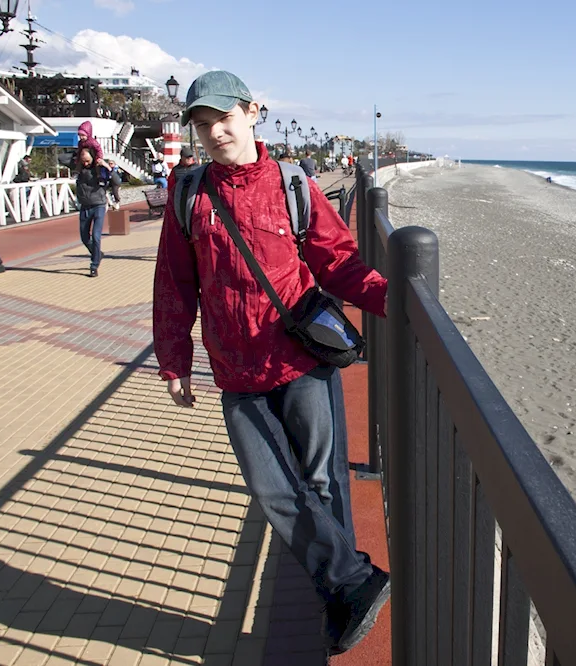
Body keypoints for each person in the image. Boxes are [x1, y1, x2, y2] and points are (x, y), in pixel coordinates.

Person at [152, 70, 391, 655]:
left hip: (300, 360)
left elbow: (337, 262)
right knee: (272, 490)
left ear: (252, 112)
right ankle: (354, 581)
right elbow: (174, 285)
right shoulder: (189, 195)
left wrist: (394, 296)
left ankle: (341, 595)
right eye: (203, 126)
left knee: (321, 482)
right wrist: (174, 359)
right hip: (236, 372)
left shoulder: (291, 185)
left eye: (223, 120)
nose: (214, 134)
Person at [76, 148, 107, 278]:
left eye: (87, 160)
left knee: (96, 235)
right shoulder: (79, 170)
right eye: (83, 161)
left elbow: (115, 180)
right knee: (84, 237)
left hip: (98, 204)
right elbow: (63, 158)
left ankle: (94, 265)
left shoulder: (98, 170)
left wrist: (105, 166)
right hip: (85, 206)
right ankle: (97, 253)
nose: (85, 163)